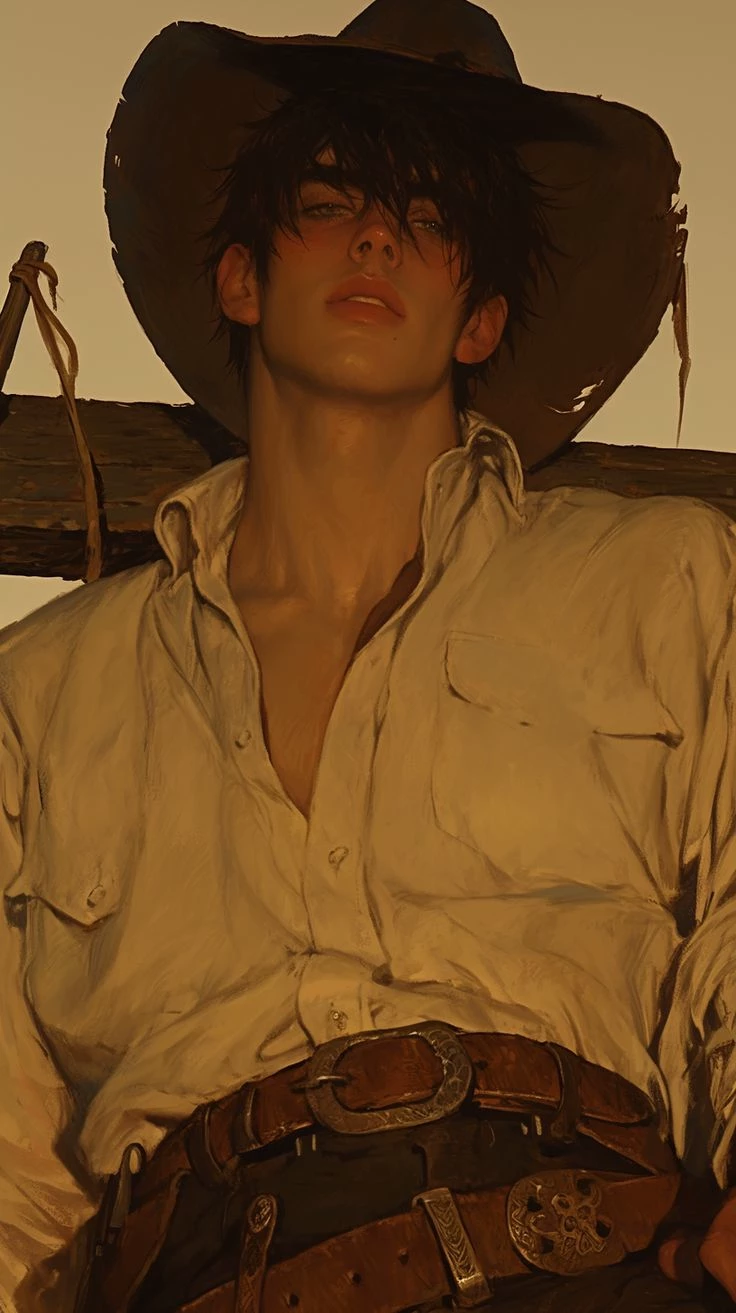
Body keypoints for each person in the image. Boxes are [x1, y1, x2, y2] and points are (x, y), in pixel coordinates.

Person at [2, 0, 736, 1309]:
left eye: (429, 219)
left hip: (586, 1256)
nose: (379, 237)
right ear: (241, 278)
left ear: (479, 318)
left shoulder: (664, 584)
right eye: (329, 203)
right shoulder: (47, 691)